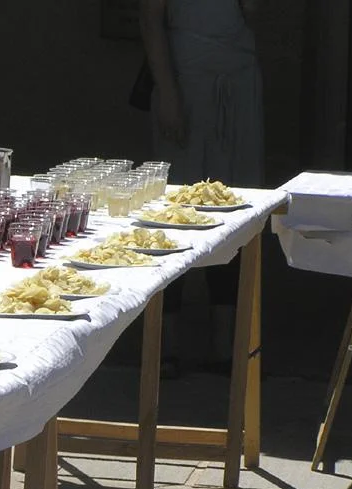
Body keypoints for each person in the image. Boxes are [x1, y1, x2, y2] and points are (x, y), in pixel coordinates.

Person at [140, 0, 264, 377]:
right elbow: (150, 20)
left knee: (234, 206)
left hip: (237, 81)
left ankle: (226, 343)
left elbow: (253, 14)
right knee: (174, 212)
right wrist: (168, 93)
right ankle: (165, 344)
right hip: (185, 81)